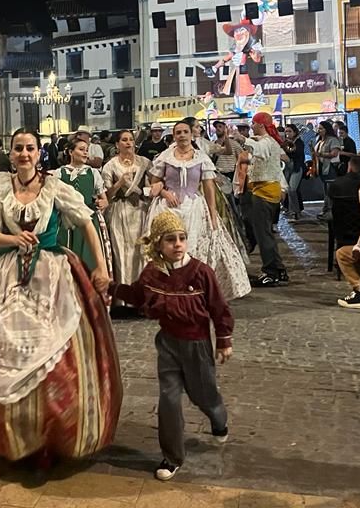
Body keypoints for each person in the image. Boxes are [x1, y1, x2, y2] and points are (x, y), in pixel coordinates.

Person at [0, 129, 120, 465]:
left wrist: (100, 266)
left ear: (39, 153)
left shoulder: (55, 187)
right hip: (6, 275)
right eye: (18, 149)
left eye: (30, 148)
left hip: (52, 272)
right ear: (11, 154)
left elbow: (87, 222)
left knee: (55, 348)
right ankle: (6, 435)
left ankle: (51, 435)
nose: (24, 154)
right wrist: (13, 241)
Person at [111, 211, 232, 482]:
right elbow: (136, 294)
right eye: (170, 240)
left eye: (182, 238)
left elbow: (218, 307)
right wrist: (111, 288)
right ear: (158, 245)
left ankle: (218, 419)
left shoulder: (201, 272)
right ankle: (172, 456)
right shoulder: (152, 274)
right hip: (168, 345)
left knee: (204, 396)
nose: (178, 244)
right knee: (169, 399)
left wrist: (224, 338)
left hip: (197, 346)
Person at [147, 121, 250, 301]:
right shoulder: (166, 156)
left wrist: (212, 213)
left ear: (191, 134)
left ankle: (191, 290)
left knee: (194, 249)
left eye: (185, 132)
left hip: (194, 207)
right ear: (173, 135)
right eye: (178, 132)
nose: (182, 135)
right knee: (167, 250)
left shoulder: (201, 157)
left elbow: (208, 187)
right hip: (168, 207)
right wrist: (165, 193)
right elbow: (154, 182)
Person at [239, 112, 289, 288]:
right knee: (264, 232)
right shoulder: (268, 141)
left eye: (253, 124)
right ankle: (278, 268)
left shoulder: (267, 142)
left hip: (265, 192)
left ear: (260, 125)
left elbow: (259, 151)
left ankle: (271, 272)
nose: (251, 126)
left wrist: (243, 139)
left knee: (263, 234)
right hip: (264, 191)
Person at [101, 129, 153, 291]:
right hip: (120, 211)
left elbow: (153, 186)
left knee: (142, 251)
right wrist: (120, 183)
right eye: (124, 140)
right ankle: (123, 296)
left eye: (130, 139)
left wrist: (144, 191)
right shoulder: (110, 165)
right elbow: (106, 195)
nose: (128, 143)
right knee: (122, 252)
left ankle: (143, 292)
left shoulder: (145, 162)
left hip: (141, 211)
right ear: (117, 144)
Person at [54, 135, 113, 274]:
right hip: (66, 222)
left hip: (88, 220)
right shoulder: (59, 173)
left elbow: (104, 199)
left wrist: (103, 202)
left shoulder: (93, 173)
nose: (86, 152)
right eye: (81, 149)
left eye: (87, 150)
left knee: (89, 259)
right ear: (70, 152)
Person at [312, 121, 342, 218]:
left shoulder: (332, 140)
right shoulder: (319, 140)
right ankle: (326, 209)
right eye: (318, 128)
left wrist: (320, 154)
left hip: (330, 168)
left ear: (326, 129)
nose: (319, 130)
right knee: (326, 190)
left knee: (330, 189)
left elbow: (334, 153)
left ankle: (331, 210)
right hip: (321, 167)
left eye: (321, 128)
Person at [282, 124, 306, 219]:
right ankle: (290, 209)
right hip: (287, 167)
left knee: (292, 189)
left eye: (289, 131)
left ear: (295, 132)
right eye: (286, 131)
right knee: (287, 189)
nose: (287, 133)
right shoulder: (285, 142)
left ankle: (295, 211)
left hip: (296, 167)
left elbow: (298, 153)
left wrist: (291, 148)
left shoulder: (299, 142)